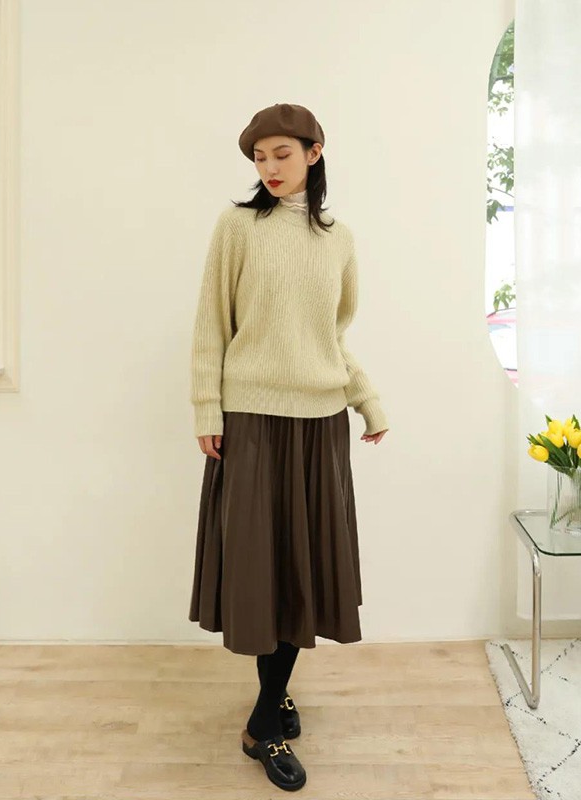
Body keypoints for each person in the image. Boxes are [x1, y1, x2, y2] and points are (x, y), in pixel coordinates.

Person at [188, 103, 389, 791]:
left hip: (320, 423)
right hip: (250, 421)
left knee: (300, 572)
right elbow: (210, 324)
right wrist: (206, 407)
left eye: (281, 153)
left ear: (313, 152)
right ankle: (266, 719)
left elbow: (331, 338)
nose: (269, 167)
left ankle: (267, 707)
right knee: (260, 569)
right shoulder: (237, 227)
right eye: (259, 157)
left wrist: (368, 400)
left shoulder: (339, 239)